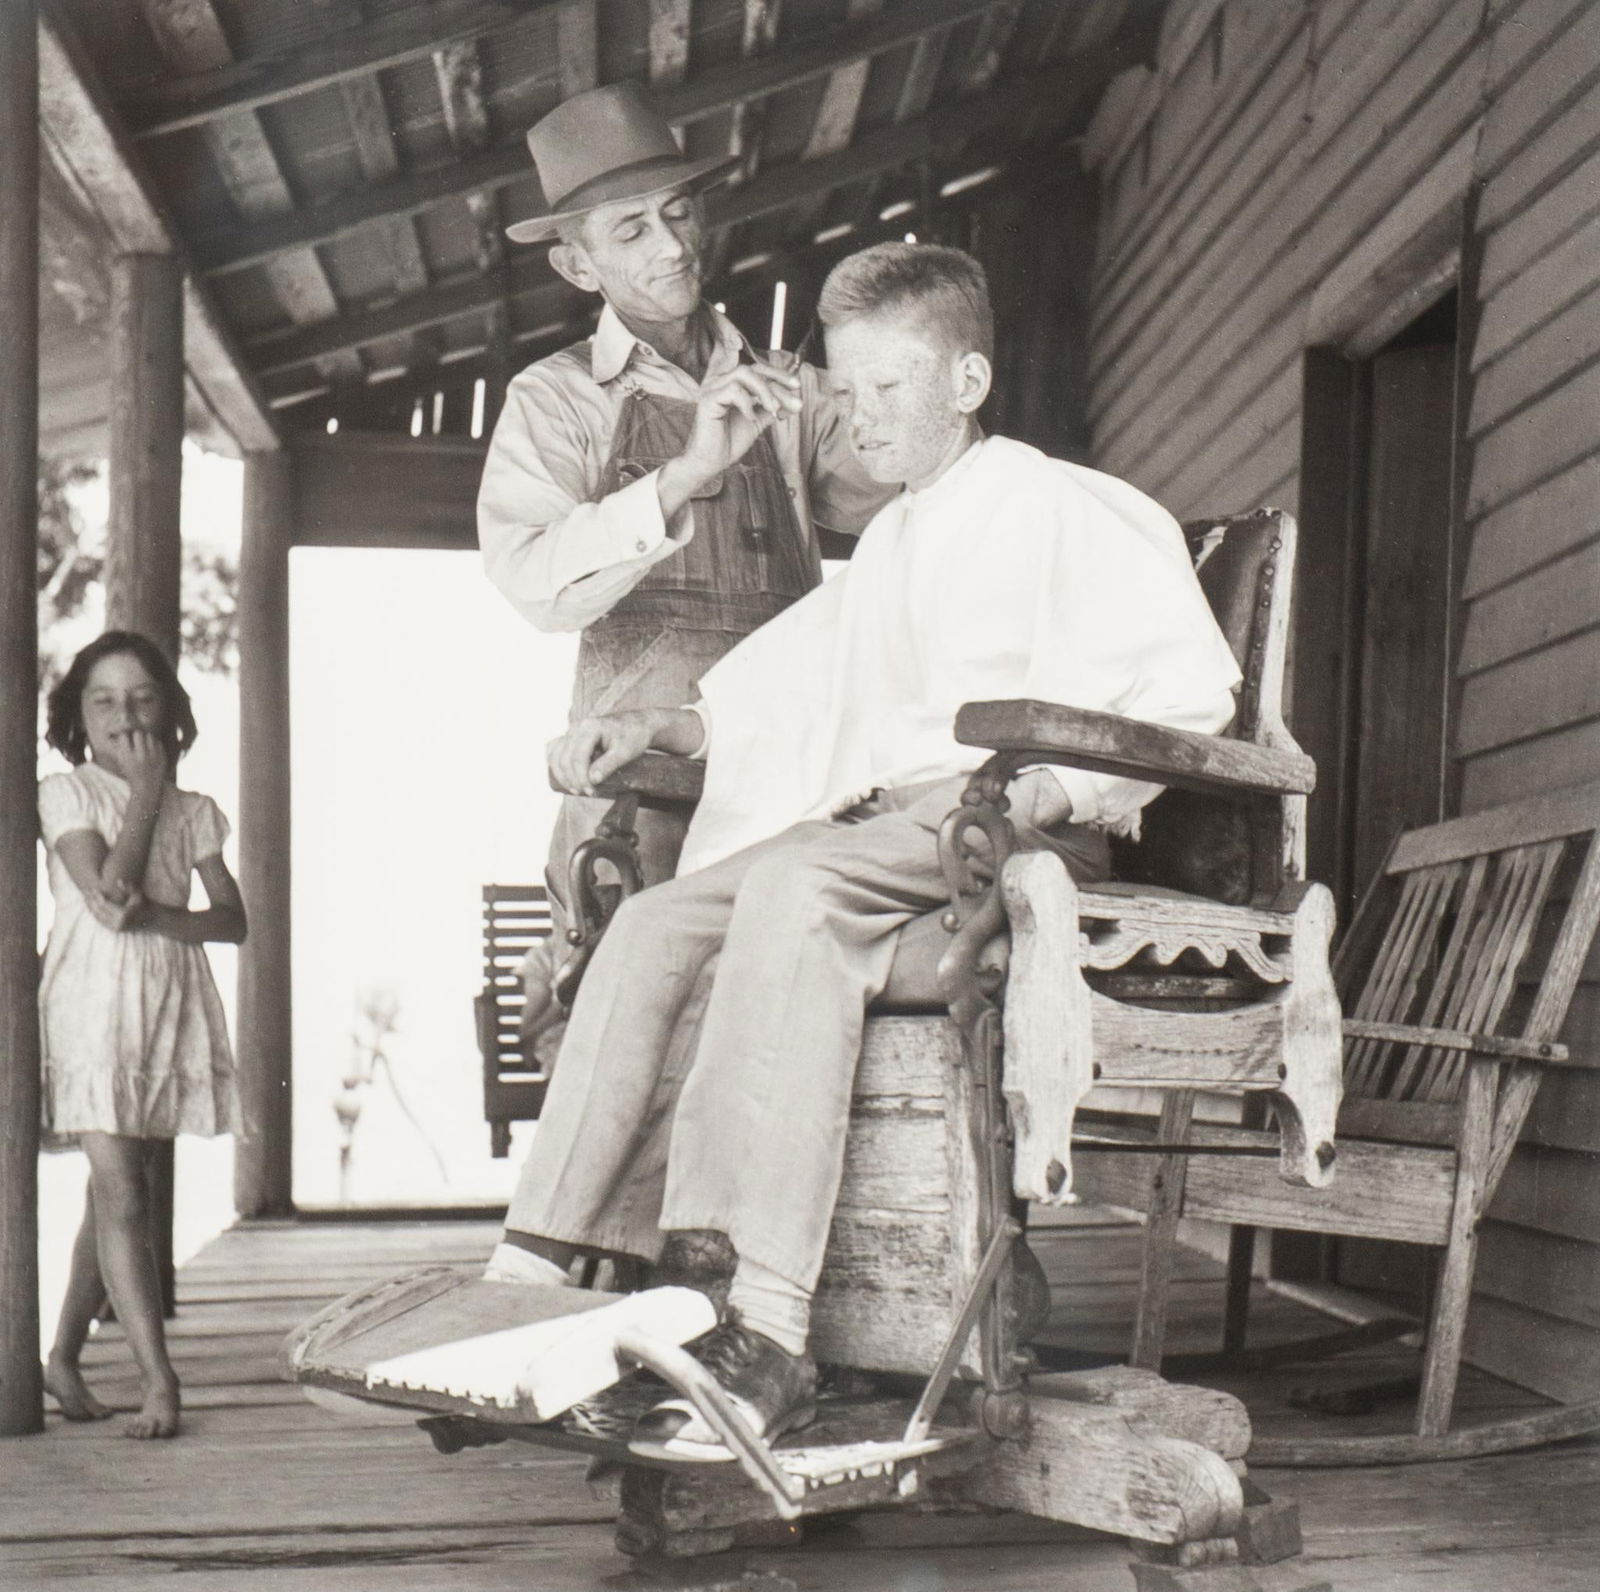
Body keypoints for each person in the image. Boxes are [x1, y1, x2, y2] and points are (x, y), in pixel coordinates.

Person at [485, 243, 1243, 1455]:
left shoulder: (1061, 506)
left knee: (790, 882)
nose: (856, 416)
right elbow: (785, 692)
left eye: (890, 389)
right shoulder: (893, 538)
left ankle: (758, 1321)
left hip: (1013, 837)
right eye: (842, 389)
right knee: (659, 918)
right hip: (888, 830)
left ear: (968, 379)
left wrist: (1049, 783)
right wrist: (662, 722)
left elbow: (1192, 692)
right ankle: (534, 1273)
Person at [477, 83, 888, 1057]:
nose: (670, 244)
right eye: (630, 230)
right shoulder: (557, 400)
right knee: (632, 1031)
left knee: (786, 1034)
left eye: (677, 212)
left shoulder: (789, 384)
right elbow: (531, 579)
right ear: (577, 262)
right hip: (636, 779)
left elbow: (891, 484)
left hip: (785, 763)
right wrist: (688, 471)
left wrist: (896, 376)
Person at [38, 632, 247, 1440]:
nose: (124, 716)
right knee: (124, 1191)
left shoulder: (197, 812)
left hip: (168, 1003)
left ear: (170, 710)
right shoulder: (68, 793)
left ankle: (62, 1354)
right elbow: (110, 891)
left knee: (118, 1192)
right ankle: (161, 1379)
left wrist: (164, 917)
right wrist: (149, 786)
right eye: (103, 701)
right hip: (92, 1000)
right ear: (78, 717)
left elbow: (233, 922)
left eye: (141, 698)